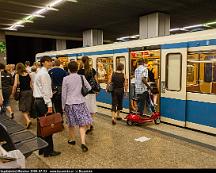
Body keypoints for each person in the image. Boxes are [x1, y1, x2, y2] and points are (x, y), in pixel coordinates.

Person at [33, 56, 61, 157]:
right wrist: (49, 105)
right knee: (48, 126)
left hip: (37, 101)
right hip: (43, 102)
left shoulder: (38, 72)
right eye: (49, 62)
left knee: (41, 127)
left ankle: (41, 148)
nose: (51, 63)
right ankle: (48, 151)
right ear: (44, 62)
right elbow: (46, 91)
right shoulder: (44, 74)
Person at [62, 61, 92, 152]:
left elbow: (64, 94)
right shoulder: (81, 77)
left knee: (71, 124)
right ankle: (83, 142)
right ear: (77, 68)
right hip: (80, 103)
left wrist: (63, 106)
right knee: (82, 124)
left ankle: (72, 139)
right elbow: (89, 88)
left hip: (69, 104)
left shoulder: (65, 79)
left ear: (68, 69)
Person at [78, 56, 97, 134]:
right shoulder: (92, 70)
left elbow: (79, 83)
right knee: (92, 109)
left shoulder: (79, 71)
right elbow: (96, 80)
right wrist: (96, 90)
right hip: (92, 92)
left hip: (84, 93)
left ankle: (88, 126)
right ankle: (90, 124)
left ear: (82, 61)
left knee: (85, 109)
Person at [12, 63, 32, 128]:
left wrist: (13, 93)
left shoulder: (17, 75)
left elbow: (15, 85)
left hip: (22, 92)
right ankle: (27, 121)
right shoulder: (28, 74)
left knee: (22, 107)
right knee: (28, 106)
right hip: (29, 91)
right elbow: (31, 84)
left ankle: (28, 120)